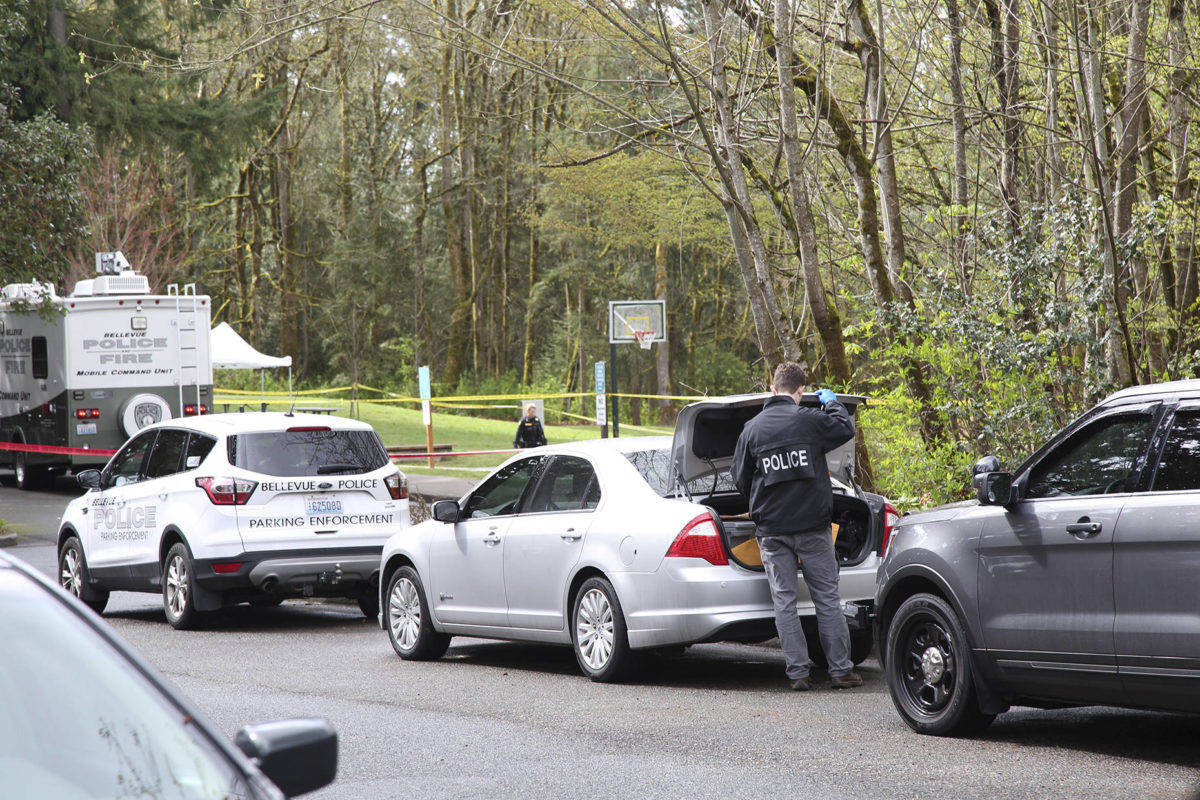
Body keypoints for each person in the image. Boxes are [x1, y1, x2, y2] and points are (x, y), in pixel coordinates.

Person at [730, 362, 862, 691]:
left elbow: (740, 479)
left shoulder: (751, 430)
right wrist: (831, 402)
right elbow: (844, 429)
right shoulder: (809, 421)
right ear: (801, 393)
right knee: (828, 600)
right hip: (814, 528)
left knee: (784, 602)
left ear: (772, 390)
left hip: (772, 532)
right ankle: (841, 671)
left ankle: (798, 673)